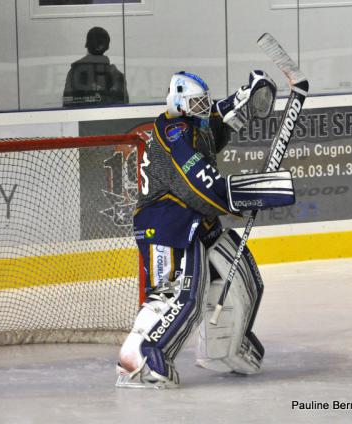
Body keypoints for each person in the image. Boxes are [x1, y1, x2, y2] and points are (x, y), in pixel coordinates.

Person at [116, 70, 294, 388]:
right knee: (178, 296)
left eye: (204, 101)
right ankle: (140, 359)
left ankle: (223, 349)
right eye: (196, 102)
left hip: (197, 220)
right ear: (180, 101)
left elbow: (222, 117)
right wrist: (252, 193)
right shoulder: (173, 133)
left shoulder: (194, 123)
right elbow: (202, 186)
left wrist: (250, 94)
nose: (203, 107)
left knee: (240, 278)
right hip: (166, 224)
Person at [62, 27, 128, 107]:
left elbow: (67, 104)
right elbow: (122, 106)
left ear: (87, 45)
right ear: (107, 47)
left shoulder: (74, 72)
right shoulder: (116, 75)